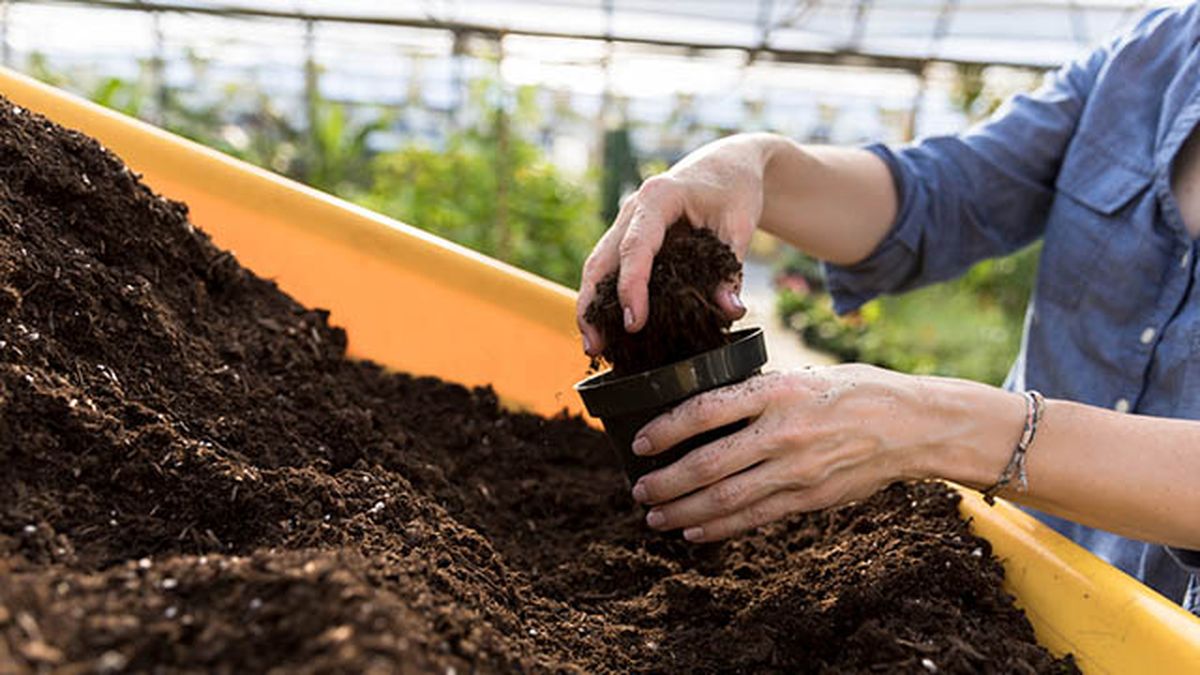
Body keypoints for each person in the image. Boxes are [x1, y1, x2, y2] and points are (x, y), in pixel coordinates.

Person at [575, 5, 1200, 615]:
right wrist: (752, 165)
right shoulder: (1155, 55)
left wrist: (937, 425)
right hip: (1015, 576)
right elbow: (942, 194)